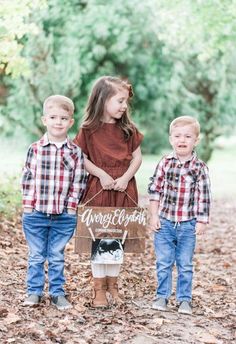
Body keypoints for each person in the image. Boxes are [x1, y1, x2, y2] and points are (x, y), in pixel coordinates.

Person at [74, 76, 143, 308]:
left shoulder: (128, 129)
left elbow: (137, 157)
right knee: (99, 239)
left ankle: (113, 286)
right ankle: (98, 290)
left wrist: (125, 177)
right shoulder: (88, 130)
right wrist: (102, 174)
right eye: (120, 101)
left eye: (126, 102)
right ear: (103, 100)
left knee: (116, 239)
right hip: (99, 187)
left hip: (123, 188)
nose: (124, 106)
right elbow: (82, 158)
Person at [21, 95, 87, 310]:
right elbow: (28, 177)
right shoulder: (36, 148)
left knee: (57, 256)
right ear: (44, 120)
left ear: (70, 122)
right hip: (36, 213)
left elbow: (78, 181)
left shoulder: (75, 152)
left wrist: (71, 207)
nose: (58, 122)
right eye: (53, 117)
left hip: (63, 215)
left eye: (63, 118)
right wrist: (28, 205)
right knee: (37, 255)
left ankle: (57, 293)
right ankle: (34, 292)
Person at [148, 116, 211, 315]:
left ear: (196, 140)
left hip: (188, 224)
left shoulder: (199, 167)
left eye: (187, 136)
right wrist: (154, 216)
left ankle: (184, 299)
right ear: (170, 139)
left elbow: (204, 196)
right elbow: (155, 190)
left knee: (185, 263)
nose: (182, 140)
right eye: (177, 136)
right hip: (165, 222)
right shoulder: (165, 163)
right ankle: (162, 296)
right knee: (164, 261)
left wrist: (202, 220)